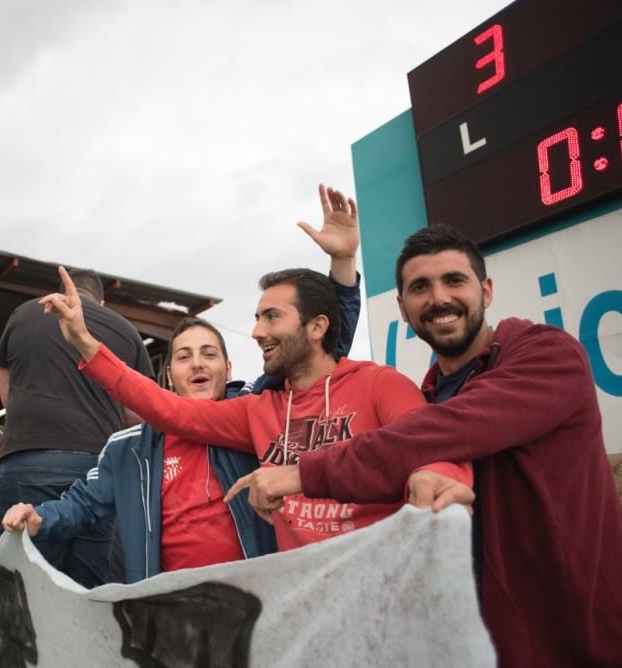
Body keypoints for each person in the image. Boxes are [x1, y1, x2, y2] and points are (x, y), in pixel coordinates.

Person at [232, 224, 622, 666]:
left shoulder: (547, 356)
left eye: (454, 280)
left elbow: (440, 431)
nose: (438, 298)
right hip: (469, 643)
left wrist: (299, 472)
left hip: (572, 642)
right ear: (402, 307)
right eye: (420, 287)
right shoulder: (430, 393)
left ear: (487, 291)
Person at [38, 186, 470, 552]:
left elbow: (434, 448)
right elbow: (165, 410)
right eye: (257, 317)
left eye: (271, 317)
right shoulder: (256, 411)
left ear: (317, 326)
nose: (256, 331)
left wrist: (440, 478)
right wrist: (86, 344)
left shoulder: (380, 385)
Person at [3, 317, 277, 583]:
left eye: (209, 354)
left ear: (228, 369)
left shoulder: (255, 418)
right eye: (184, 357)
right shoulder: (127, 447)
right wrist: (41, 516)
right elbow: (84, 504)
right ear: (168, 375)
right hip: (169, 608)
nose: (197, 364)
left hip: (254, 600)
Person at [0, 267, 156, 588]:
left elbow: (8, 396)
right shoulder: (126, 330)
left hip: (26, 459)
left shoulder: (23, 315)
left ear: (61, 292)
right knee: (84, 592)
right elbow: (139, 412)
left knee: (16, 590)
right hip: (96, 469)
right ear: (101, 302)